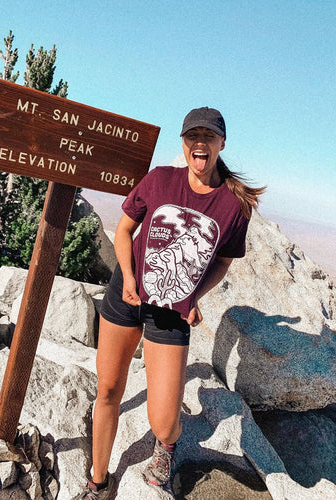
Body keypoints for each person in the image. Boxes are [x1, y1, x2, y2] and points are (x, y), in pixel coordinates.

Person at [75, 107, 265, 499]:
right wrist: (127, 277)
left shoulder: (234, 207)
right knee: (109, 388)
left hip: (172, 311)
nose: (200, 142)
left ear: (221, 143)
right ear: (183, 143)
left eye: (209, 136)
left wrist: (195, 294)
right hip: (125, 296)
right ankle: (98, 479)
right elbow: (125, 230)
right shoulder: (161, 179)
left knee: (164, 422)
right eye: (193, 135)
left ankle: (167, 447)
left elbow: (224, 261)